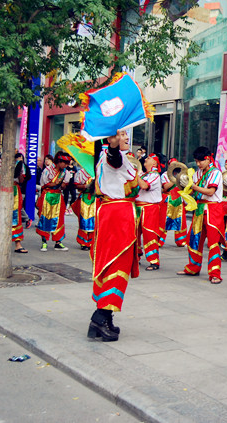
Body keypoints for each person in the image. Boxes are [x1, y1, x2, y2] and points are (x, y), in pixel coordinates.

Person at [88, 130, 139, 342]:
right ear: (111, 139)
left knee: (115, 264)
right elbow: (114, 158)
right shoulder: (111, 157)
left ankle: (105, 317)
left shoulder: (115, 159)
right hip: (117, 216)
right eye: (123, 134)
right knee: (117, 265)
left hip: (117, 213)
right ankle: (99, 318)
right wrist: (113, 146)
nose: (127, 138)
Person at [177, 147, 225, 283]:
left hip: (212, 208)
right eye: (196, 161)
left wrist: (192, 187)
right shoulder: (198, 173)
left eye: (201, 161)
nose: (198, 164)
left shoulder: (216, 173)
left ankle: (215, 273)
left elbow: (210, 191)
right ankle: (193, 267)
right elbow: (193, 191)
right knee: (194, 239)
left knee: (213, 242)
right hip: (200, 208)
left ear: (208, 158)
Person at [0, 151, 28, 254]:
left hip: (15, 190)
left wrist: (20, 168)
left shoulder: (18, 164)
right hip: (1, 189)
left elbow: (21, 180)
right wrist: (10, 171)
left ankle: (18, 244)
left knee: (15, 217)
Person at [36, 151, 73, 251]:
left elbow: (64, 186)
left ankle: (58, 242)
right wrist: (54, 183)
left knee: (59, 220)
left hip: (58, 196)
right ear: (59, 161)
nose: (65, 165)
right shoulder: (47, 171)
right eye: (64, 163)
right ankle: (44, 242)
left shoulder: (65, 172)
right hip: (47, 195)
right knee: (45, 218)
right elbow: (44, 184)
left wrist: (63, 185)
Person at [137, 154, 163, 271]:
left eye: (149, 158)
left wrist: (134, 174)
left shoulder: (155, 175)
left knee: (149, 234)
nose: (146, 158)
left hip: (149, 208)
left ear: (154, 163)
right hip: (138, 207)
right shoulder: (144, 174)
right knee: (134, 234)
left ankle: (153, 260)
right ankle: (136, 256)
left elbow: (143, 185)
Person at [163, 158, 189, 247]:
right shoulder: (164, 175)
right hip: (168, 200)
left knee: (181, 221)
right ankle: (159, 240)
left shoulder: (182, 175)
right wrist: (173, 178)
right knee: (163, 221)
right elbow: (165, 187)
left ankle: (181, 240)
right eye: (172, 164)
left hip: (178, 199)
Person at [73, 165, 96, 251]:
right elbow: (76, 185)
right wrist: (86, 186)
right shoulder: (81, 172)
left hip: (94, 198)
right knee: (84, 221)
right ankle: (83, 242)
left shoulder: (97, 171)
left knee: (93, 221)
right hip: (85, 197)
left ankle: (91, 242)